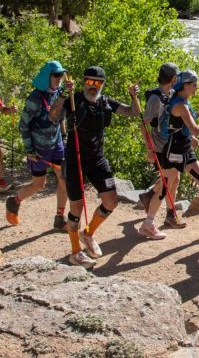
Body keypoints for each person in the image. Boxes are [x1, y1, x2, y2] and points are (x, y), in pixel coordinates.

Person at [49, 66, 140, 268]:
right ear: (83, 82)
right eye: (89, 82)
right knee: (76, 209)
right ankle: (75, 253)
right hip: (75, 160)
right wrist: (64, 94)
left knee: (111, 201)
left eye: (97, 83)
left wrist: (134, 96)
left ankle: (88, 233)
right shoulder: (74, 99)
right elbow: (53, 116)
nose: (93, 86)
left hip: (98, 159)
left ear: (102, 84)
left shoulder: (105, 102)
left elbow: (133, 112)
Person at [156, 70, 199, 239]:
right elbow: (195, 129)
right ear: (185, 85)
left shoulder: (183, 102)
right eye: (194, 85)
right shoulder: (180, 105)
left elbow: (186, 120)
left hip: (183, 148)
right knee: (167, 184)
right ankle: (149, 220)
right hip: (174, 149)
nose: (197, 88)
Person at [7, 61, 69, 229]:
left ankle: (59, 218)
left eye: (61, 75)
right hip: (39, 148)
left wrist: (63, 138)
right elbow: (23, 125)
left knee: (63, 178)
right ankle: (14, 201)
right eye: (56, 75)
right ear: (47, 77)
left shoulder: (60, 94)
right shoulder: (35, 98)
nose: (59, 78)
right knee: (38, 184)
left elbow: (61, 117)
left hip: (56, 144)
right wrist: (30, 149)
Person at [138, 62, 182, 239]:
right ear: (173, 79)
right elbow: (144, 123)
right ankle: (149, 223)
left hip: (170, 144)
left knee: (174, 179)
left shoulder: (170, 95)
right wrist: (149, 148)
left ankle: (169, 213)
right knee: (167, 182)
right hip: (160, 146)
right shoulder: (156, 98)